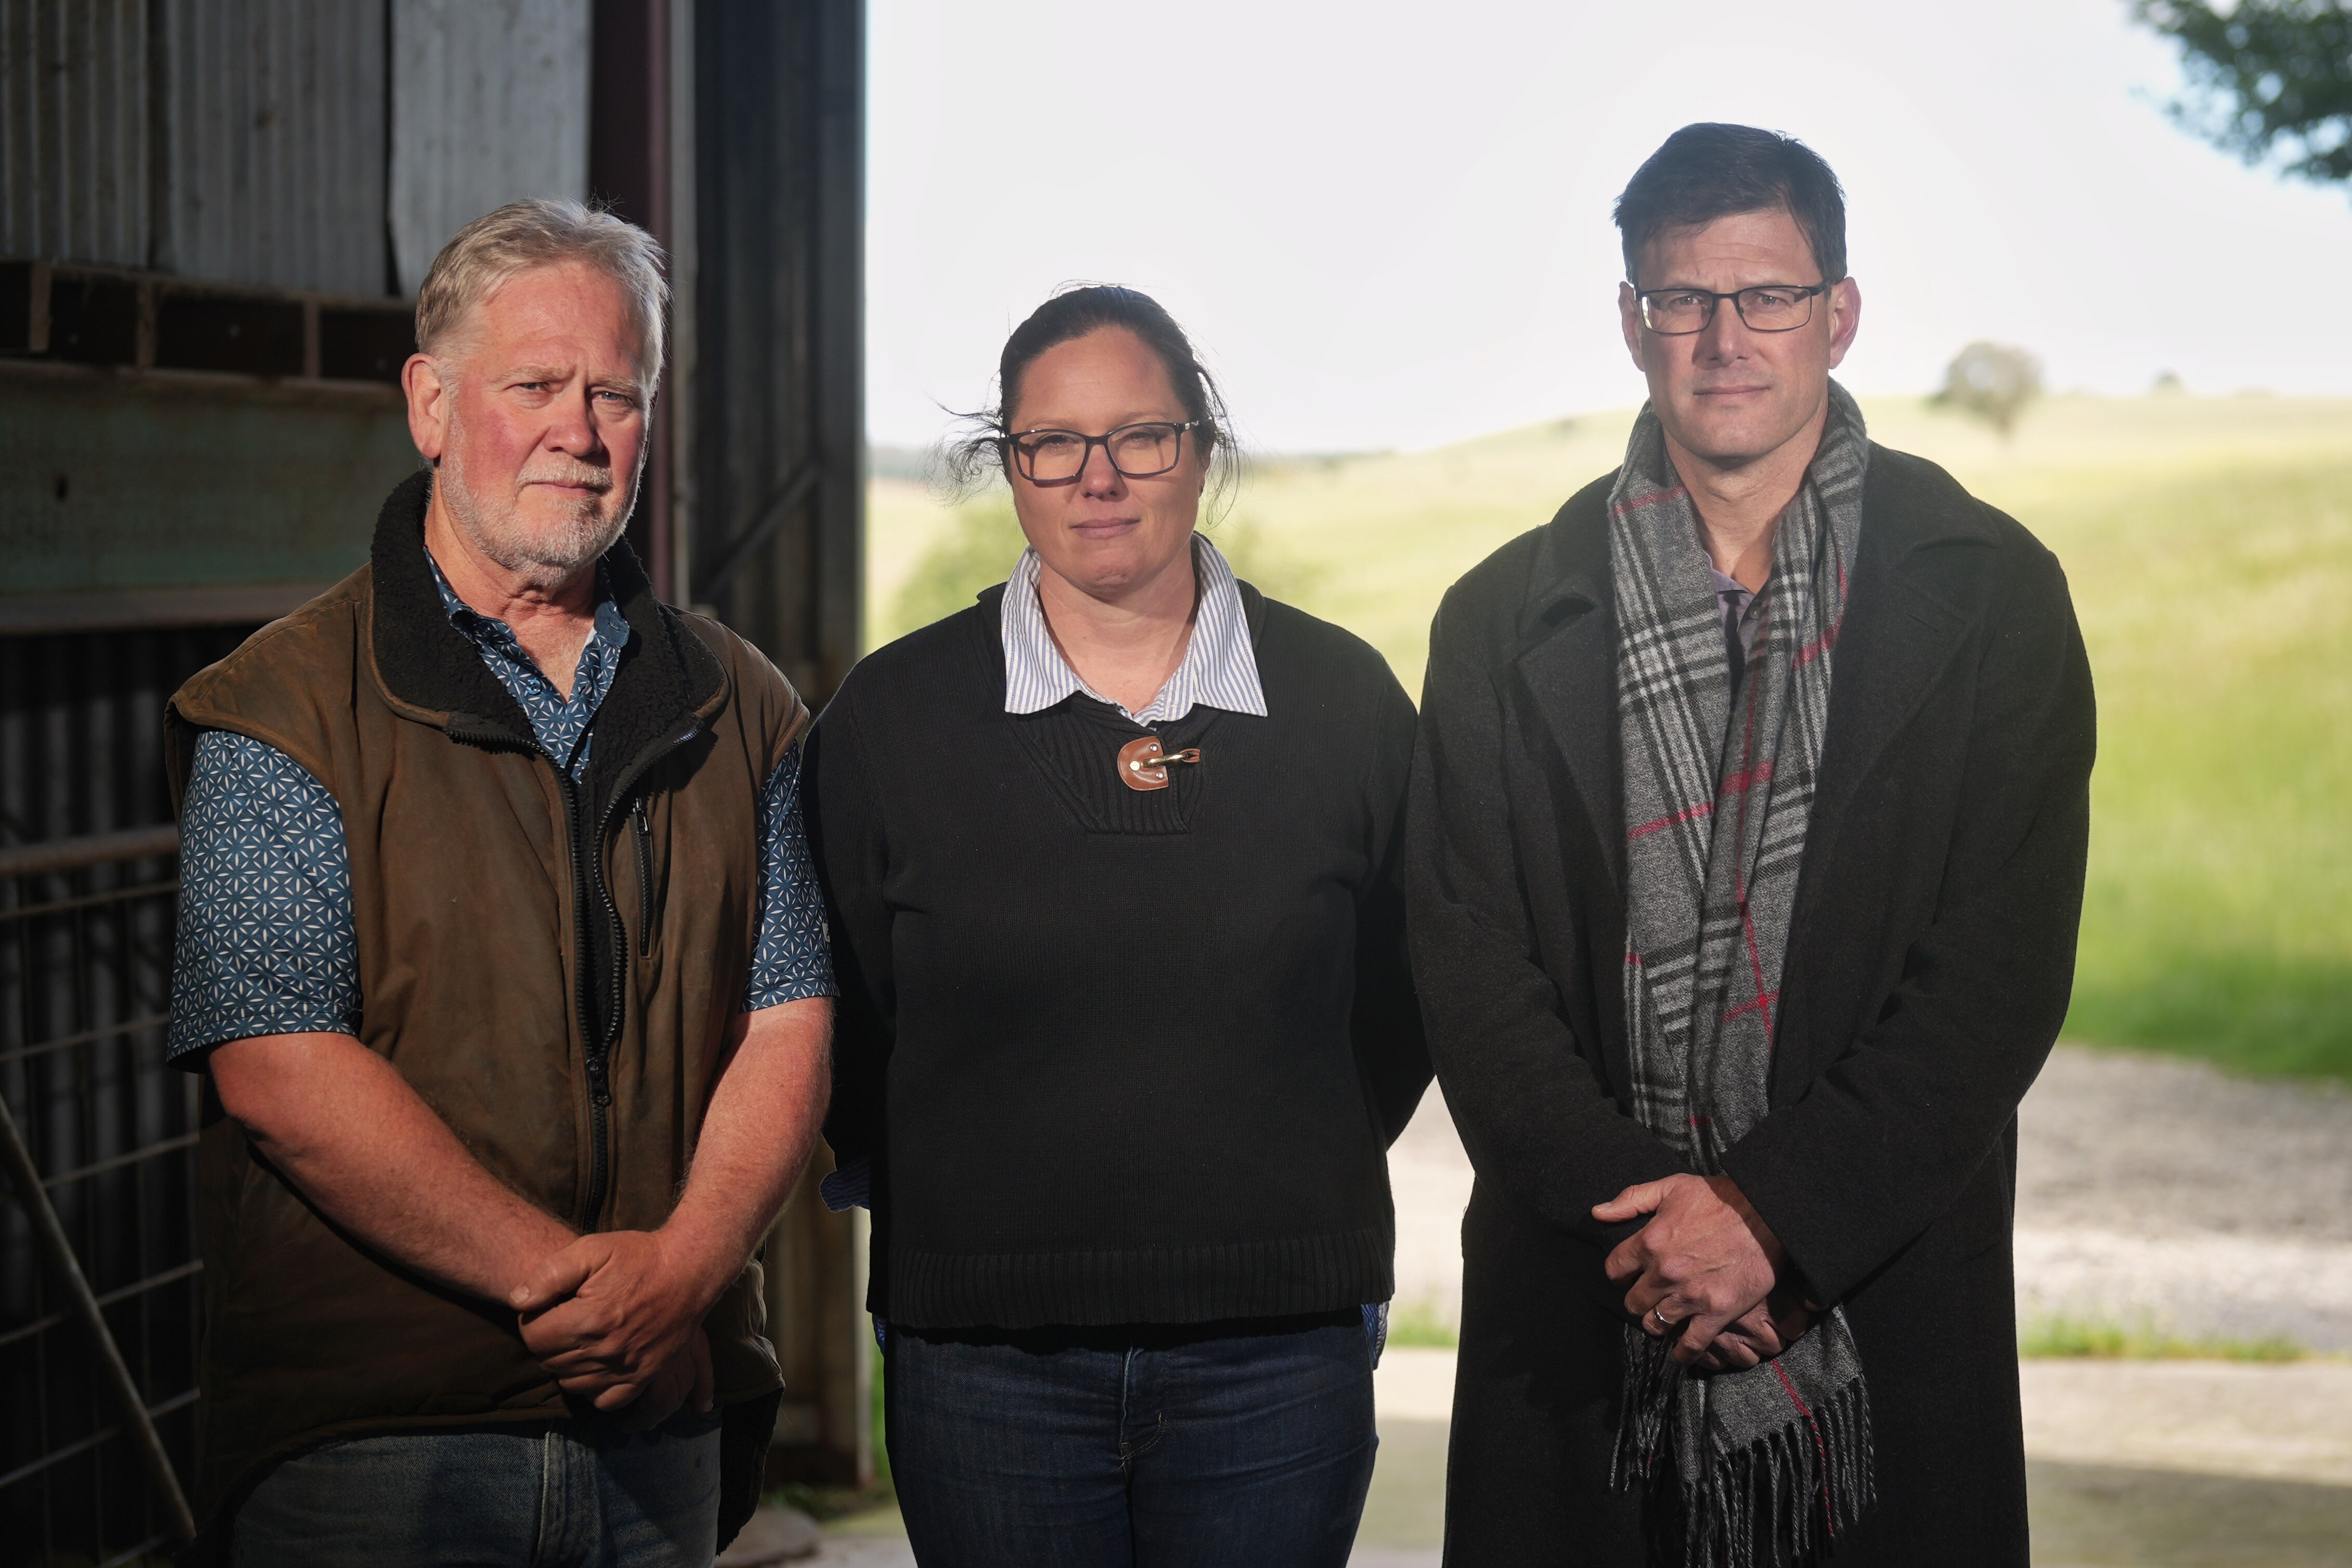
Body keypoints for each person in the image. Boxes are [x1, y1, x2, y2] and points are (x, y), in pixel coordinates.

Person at [1408, 124, 2095, 1567]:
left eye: (1766, 296)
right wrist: (1671, 1239)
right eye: (1680, 299)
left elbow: (1994, 976)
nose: (1723, 339)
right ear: (1628, 320)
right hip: (1592, 1311)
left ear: (1836, 314)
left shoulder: (1990, 598)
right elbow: (1470, 971)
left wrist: (1773, 1218)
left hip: (1872, 1294)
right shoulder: (1494, 617)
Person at [163, 199, 835, 1565]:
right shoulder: (285, 703)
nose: (575, 432)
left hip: (659, 1422)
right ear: (429, 402)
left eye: (615, 393)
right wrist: (565, 1285)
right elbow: (277, 1062)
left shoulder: (740, 703)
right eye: (532, 385)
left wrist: (684, 1277)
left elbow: (792, 1017)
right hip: (371, 1437)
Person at [807, 285, 1429, 1568]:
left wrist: (1261, 1157)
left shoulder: (1345, 703)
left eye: (1140, 437)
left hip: (1278, 1348)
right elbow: (848, 1018)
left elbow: (1400, 1002)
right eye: (1051, 444)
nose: (1098, 478)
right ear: (1009, 465)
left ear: (1200, 450)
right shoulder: (893, 716)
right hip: (984, 1359)